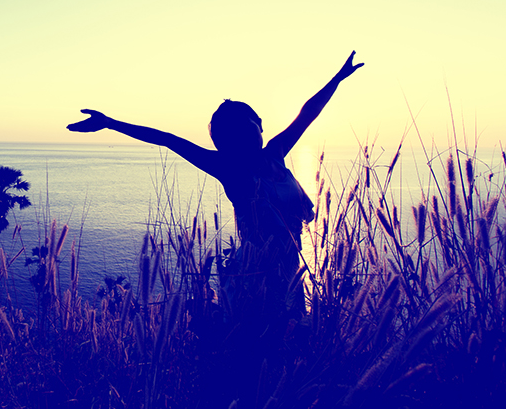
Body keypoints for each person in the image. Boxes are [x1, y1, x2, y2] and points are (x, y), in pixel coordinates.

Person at [67, 51, 363, 321]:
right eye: (230, 133)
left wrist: (337, 79)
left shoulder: (275, 153)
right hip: (254, 275)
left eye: (245, 128)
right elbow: (167, 138)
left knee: (290, 343)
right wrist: (111, 123)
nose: (241, 137)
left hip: (290, 271)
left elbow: (307, 113)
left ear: (259, 124)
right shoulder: (229, 168)